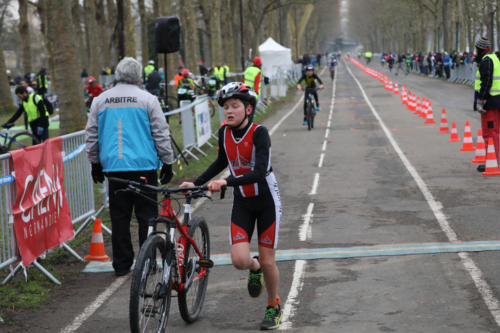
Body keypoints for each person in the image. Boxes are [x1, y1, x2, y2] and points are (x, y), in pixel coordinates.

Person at [180, 82, 283, 330]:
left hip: (267, 201)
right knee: (239, 260)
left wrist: (226, 182)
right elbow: (221, 162)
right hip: (243, 203)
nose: (229, 111)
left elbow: (259, 173)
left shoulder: (260, 133)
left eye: (235, 106)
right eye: (226, 106)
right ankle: (253, 266)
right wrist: (196, 183)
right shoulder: (224, 132)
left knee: (269, 260)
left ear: (248, 109)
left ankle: (273, 305)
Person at [85, 57, 174, 276]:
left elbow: (91, 135)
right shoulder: (148, 99)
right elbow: (161, 133)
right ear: (138, 76)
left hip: (114, 168)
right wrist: (168, 161)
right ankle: (149, 261)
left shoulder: (101, 100)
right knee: (147, 217)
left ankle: (122, 264)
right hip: (144, 166)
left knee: (119, 218)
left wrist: (94, 162)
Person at [474, 37, 500, 173]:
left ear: (481, 49)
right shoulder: (494, 58)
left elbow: (486, 82)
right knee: (494, 132)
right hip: (496, 100)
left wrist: (480, 101)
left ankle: (492, 161)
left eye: (476, 48)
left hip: (489, 103)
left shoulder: (486, 61)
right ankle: (493, 159)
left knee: (490, 133)